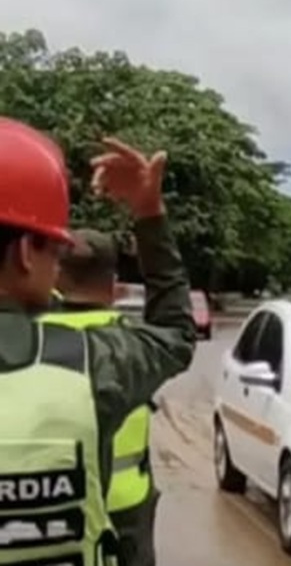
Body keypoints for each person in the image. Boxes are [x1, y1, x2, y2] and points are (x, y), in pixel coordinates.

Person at [0, 117, 196, 566]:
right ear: (27, 253)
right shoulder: (92, 365)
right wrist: (149, 213)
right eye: (54, 250)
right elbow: (175, 334)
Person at [42, 229, 160, 566]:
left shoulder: (32, 340)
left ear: (57, 275)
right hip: (126, 505)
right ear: (113, 286)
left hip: (57, 503)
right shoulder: (135, 347)